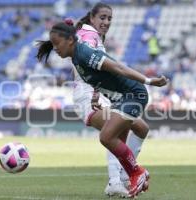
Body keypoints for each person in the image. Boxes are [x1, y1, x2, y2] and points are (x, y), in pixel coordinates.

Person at [36, 22, 168, 198]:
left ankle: (137, 172)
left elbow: (118, 68)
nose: (55, 48)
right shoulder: (76, 57)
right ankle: (131, 176)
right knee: (116, 140)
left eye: (56, 43)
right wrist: (95, 96)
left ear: (69, 40)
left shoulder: (84, 53)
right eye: (52, 45)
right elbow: (99, 78)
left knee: (106, 136)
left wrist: (149, 81)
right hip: (122, 98)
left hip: (134, 95)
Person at [70, 2, 151, 197]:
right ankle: (118, 179)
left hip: (97, 94)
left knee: (141, 128)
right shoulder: (87, 36)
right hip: (85, 96)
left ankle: (124, 175)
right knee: (115, 130)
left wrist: (100, 92)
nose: (106, 22)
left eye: (109, 19)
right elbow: (87, 56)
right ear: (92, 18)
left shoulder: (95, 36)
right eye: (102, 17)